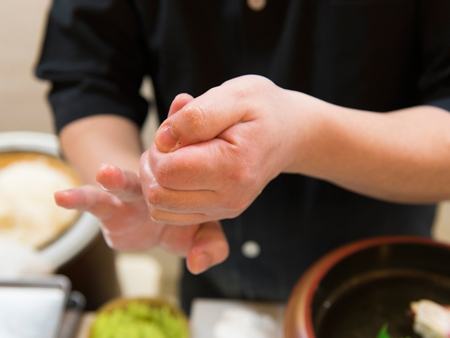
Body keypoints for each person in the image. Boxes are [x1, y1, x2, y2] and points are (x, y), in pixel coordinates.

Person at [36, 0, 450, 314]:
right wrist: (136, 184)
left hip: (381, 279)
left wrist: (305, 134)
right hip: (210, 274)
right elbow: (87, 77)